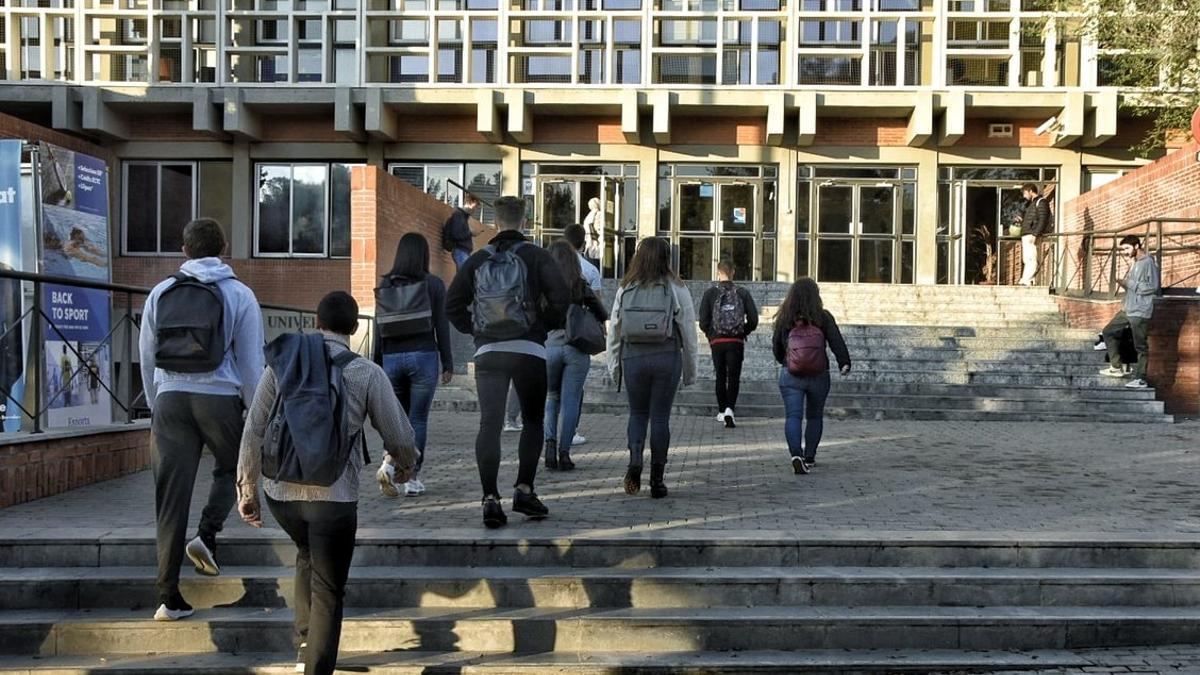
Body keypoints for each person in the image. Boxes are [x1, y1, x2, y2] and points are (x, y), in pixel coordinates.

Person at [237, 291, 418, 675]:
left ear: (315, 322)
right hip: (334, 498)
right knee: (329, 589)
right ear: (354, 329)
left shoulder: (282, 364)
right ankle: (316, 666)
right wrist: (406, 465)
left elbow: (253, 427)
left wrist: (247, 488)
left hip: (281, 495)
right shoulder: (365, 371)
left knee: (307, 552)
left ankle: (305, 642)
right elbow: (399, 433)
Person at [138, 218, 265, 621]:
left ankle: (168, 597)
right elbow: (251, 363)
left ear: (184, 251)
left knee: (170, 497)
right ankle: (207, 535)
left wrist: (158, 402)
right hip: (219, 400)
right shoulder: (240, 294)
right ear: (224, 247)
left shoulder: (160, 292)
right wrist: (253, 416)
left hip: (171, 399)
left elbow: (145, 355)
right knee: (234, 467)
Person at [446, 196, 570, 528]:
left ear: (496, 223)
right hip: (529, 349)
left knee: (490, 424)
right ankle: (524, 490)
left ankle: (490, 499)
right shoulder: (537, 255)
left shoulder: (477, 260)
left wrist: (476, 330)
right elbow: (562, 297)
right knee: (531, 421)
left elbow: (452, 305)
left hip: (488, 352)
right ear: (525, 222)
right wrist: (543, 325)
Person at [606, 237, 698, 499]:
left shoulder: (626, 287)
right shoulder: (676, 287)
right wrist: (691, 371)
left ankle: (635, 459)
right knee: (660, 418)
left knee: (637, 414)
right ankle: (657, 480)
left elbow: (614, 329)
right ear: (666, 258)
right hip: (666, 357)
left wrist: (614, 368)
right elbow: (689, 333)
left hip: (633, 358)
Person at [373, 233, 453, 497]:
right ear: (424, 255)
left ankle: (388, 463)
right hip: (423, 356)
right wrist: (447, 361)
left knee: (396, 420)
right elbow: (442, 325)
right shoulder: (433, 284)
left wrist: (376, 362)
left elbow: (378, 326)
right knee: (417, 418)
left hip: (391, 358)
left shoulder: (385, 284)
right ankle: (411, 477)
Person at [772, 277, 851, 475]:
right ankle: (810, 456)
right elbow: (836, 341)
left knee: (793, 416)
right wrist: (844, 362)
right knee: (815, 416)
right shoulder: (823, 317)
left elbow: (776, 346)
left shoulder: (785, 318)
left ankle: (796, 455)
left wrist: (784, 360)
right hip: (819, 374)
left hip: (791, 374)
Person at [543, 240, 608, 471]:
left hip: (549, 347)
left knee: (550, 398)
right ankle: (565, 452)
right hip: (576, 348)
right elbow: (602, 312)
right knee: (570, 401)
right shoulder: (579, 284)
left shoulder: (543, 286)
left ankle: (549, 445)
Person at [698, 258, 759, 428]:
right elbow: (754, 319)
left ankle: (721, 410)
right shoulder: (742, 293)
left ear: (718, 273)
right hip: (735, 341)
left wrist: (711, 335)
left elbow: (703, 321)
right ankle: (730, 409)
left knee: (720, 375)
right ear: (733, 272)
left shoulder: (710, 293)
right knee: (733, 377)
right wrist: (742, 332)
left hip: (717, 341)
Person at [1099, 235, 1160, 390]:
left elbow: (1153, 287)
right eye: (1123, 249)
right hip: (1128, 309)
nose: (1125, 252)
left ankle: (1141, 379)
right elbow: (1135, 287)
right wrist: (1125, 286)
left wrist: (1129, 283)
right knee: (1108, 331)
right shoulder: (1135, 263)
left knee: (1141, 346)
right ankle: (1116, 366)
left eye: (1127, 248)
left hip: (1140, 311)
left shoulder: (1148, 262)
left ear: (1137, 246)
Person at [561, 223, 602, 447]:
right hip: (576, 337)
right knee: (574, 393)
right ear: (583, 243)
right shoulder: (590, 270)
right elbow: (597, 306)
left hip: (551, 336)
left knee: (551, 396)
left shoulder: (548, 266)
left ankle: (549, 439)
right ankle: (569, 436)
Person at [1014, 182, 1052, 286]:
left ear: (1031, 191)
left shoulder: (1041, 202)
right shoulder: (1031, 204)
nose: (1024, 196)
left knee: (1031, 258)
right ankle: (1026, 279)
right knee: (1027, 258)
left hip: (1032, 234)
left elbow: (1043, 219)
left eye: (1025, 193)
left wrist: (1035, 234)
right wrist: (1022, 221)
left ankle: (1027, 279)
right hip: (1027, 234)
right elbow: (1034, 218)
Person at [441, 193, 485, 271]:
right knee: (465, 275)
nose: (474, 211)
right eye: (474, 207)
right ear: (470, 203)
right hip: (460, 250)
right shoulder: (459, 215)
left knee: (465, 275)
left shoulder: (462, 217)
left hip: (462, 251)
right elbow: (457, 234)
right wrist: (471, 233)